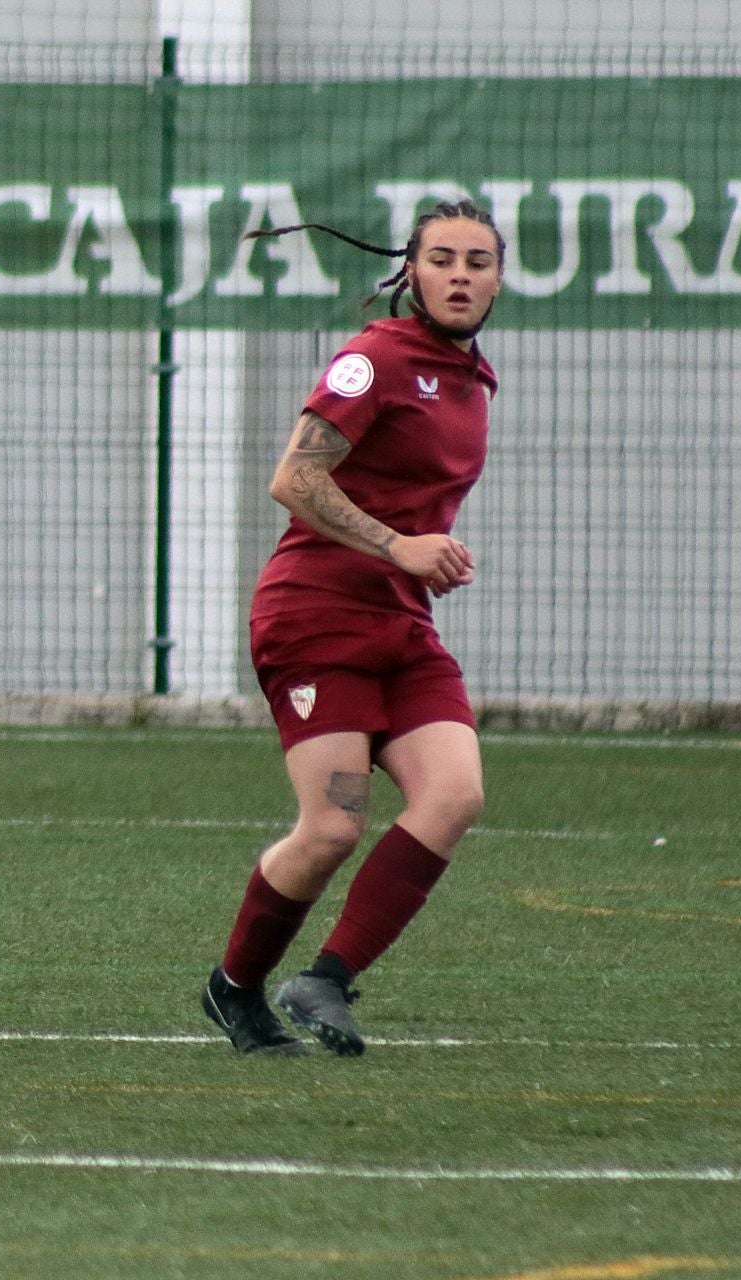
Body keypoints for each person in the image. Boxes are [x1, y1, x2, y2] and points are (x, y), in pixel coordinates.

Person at [200, 199, 504, 1057]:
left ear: (498, 279)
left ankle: (324, 980)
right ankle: (234, 990)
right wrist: (400, 545)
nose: (458, 275)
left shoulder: (472, 376)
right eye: (441, 258)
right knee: (331, 828)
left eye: (477, 262)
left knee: (455, 797)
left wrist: (416, 559)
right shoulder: (375, 357)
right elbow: (295, 479)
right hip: (315, 615)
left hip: (401, 625)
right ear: (409, 268)